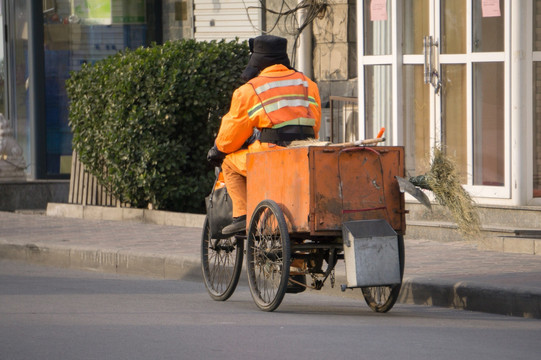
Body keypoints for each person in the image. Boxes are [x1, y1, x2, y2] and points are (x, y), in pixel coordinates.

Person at [207, 34, 322, 235]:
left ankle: (242, 216)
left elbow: (230, 137)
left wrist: (218, 149)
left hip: (271, 156)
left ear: (257, 61)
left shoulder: (250, 90)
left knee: (229, 162)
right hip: (305, 154)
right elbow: (316, 125)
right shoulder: (308, 84)